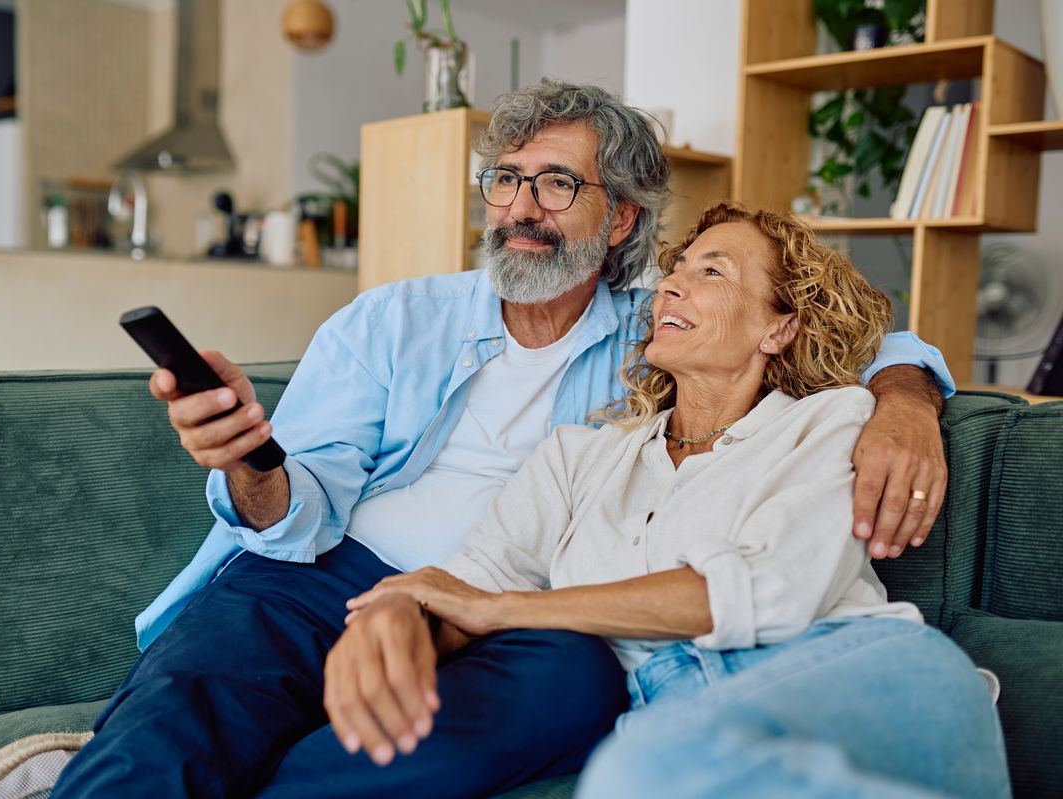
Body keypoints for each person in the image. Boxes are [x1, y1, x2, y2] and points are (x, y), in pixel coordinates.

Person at [53, 81, 954, 799]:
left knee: (575, 679)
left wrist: (907, 401)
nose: (522, 206)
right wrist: (248, 459)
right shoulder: (392, 320)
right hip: (325, 571)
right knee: (194, 699)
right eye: (506, 179)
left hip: (512, 613)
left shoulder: (665, 325)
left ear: (621, 218)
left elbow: (849, 330)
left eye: (557, 184)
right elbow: (297, 512)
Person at [341, 204, 1010, 798]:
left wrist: (501, 610)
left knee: (638, 775)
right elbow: (473, 579)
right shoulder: (579, 455)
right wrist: (401, 614)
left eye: (712, 271)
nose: (670, 284)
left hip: (861, 670)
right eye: (676, 269)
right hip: (676, 706)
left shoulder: (829, 421)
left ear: (778, 329)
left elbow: (760, 590)